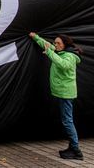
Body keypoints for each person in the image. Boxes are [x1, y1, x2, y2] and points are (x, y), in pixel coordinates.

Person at [29, 32, 83, 160]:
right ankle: (72, 147)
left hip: (66, 93)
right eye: (55, 42)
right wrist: (35, 37)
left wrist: (49, 52)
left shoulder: (69, 56)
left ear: (65, 44)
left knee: (67, 121)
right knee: (67, 120)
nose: (56, 45)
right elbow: (47, 45)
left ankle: (76, 151)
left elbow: (63, 65)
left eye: (58, 43)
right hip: (62, 92)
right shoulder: (60, 51)